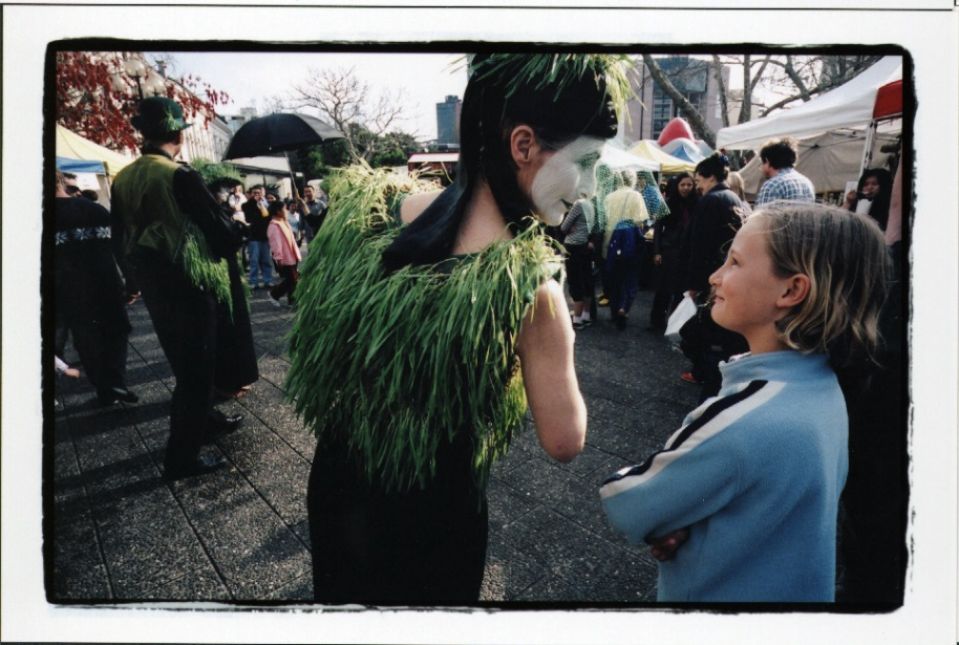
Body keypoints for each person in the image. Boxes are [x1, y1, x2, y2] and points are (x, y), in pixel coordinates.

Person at [288, 52, 631, 605]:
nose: (590, 187)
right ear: (522, 145)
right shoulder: (529, 285)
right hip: (434, 503)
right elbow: (565, 440)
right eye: (588, 162)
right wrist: (551, 333)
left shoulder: (375, 213)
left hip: (339, 479)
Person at [601, 202, 890, 602]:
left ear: (791, 290)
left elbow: (626, 503)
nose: (715, 276)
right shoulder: (826, 387)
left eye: (734, 262)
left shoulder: (745, 418)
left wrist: (675, 517)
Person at [111, 96, 244, 479]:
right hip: (189, 279)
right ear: (178, 135)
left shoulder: (124, 176)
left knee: (185, 359)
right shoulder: (179, 174)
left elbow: (118, 237)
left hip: (154, 283)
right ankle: (181, 459)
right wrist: (236, 233)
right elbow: (219, 230)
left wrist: (133, 280)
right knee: (198, 368)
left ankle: (207, 421)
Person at [54, 169, 138, 406]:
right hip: (107, 282)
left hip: (70, 290)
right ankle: (116, 382)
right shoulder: (95, 209)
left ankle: (104, 386)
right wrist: (132, 282)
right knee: (117, 331)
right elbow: (120, 250)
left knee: (86, 339)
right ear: (61, 181)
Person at [679, 153, 748, 399]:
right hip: (728, 275)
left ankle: (708, 381)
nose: (697, 185)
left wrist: (693, 284)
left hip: (712, 277)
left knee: (703, 335)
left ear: (710, 177)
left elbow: (699, 247)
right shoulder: (734, 198)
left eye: (699, 180)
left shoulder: (711, 201)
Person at [209, 179, 259, 400]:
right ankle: (232, 381)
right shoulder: (215, 213)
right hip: (223, 276)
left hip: (225, 274)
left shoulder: (215, 213)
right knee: (231, 326)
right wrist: (238, 221)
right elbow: (232, 238)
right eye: (230, 193)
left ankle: (234, 379)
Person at [649, 173, 697, 331]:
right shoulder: (668, 202)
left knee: (680, 291)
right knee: (663, 289)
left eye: (689, 184)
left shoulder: (697, 203)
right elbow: (657, 228)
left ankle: (675, 323)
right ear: (677, 186)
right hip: (668, 251)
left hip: (687, 253)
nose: (686, 188)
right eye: (682, 185)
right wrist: (656, 251)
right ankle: (657, 322)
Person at [603, 186, 646, 329]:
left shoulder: (609, 197)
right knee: (629, 281)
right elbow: (640, 221)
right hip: (630, 243)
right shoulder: (637, 196)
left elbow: (604, 220)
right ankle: (624, 308)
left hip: (612, 242)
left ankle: (615, 311)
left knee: (615, 281)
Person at [561, 197, 595, 330]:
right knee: (587, 281)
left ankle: (576, 320)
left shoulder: (578, 204)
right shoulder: (591, 204)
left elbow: (564, 227)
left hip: (573, 246)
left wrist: (571, 228)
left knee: (575, 282)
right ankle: (585, 316)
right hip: (585, 245)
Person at [755, 137, 815, 206]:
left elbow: (762, 216)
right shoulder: (807, 182)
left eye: (762, 163)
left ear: (767, 161)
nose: (761, 168)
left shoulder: (772, 185)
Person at [266, 200, 302, 307]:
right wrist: (278, 258)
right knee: (291, 279)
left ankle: (292, 301)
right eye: (284, 209)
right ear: (278, 211)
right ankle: (274, 294)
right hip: (285, 257)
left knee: (293, 279)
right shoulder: (274, 226)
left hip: (292, 255)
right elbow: (275, 244)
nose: (286, 211)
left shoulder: (283, 222)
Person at [842, 167, 892, 232]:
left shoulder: (887, 206)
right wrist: (848, 202)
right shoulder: (856, 202)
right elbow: (840, 219)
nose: (869, 187)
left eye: (874, 184)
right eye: (865, 184)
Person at [242, 185, 273, 288]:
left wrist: (262, 205)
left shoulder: (266, 204)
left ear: (262, 193)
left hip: (264, 236)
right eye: (254, 193)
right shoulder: (246, 205)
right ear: (250, 194)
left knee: (266, 260)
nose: (256, 195)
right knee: (254, 261)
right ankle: (253, 282)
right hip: (253, 237)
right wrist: (254, 203)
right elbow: (248, 219)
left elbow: (268, 218)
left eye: (258, 193)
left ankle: (267, 280)